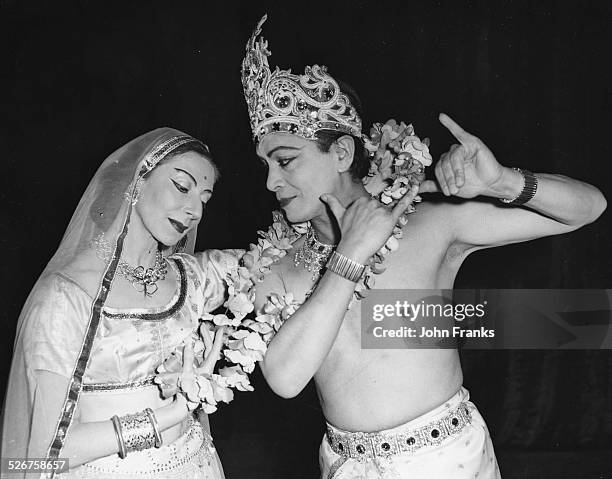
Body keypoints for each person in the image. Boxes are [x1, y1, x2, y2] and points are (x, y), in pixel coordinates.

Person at [241, 17, 607, 478]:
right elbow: (285, 378)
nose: (272, 181)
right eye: (266, 166)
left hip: (446, 461)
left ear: (341, 154)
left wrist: (502, 181)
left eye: (286, 161)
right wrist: (350, 255)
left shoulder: (428, 225)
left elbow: (587, 208)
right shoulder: (280, 263)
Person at [1, 128, 239, 478]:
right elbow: (41, 456)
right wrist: (168, 417)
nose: (194, 211)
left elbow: (272, 265)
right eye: (183, 187)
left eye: (204, 198)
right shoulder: (66, 296)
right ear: (137, 180)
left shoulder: (193, 277)